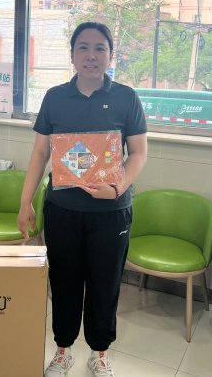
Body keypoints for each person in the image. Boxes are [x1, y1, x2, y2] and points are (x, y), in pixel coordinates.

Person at [18, 21, 148, 377]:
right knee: (64, 282)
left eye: (100, 48)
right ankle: (62, 351)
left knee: (105, 284)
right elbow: (40, 153)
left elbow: (138, 154)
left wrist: (117, 188)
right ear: (73, 55)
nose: (91, 55)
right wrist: (26, 202)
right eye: (83, 48)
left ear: (110, 55)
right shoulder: (55, 97)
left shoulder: (126, 97)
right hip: (63, 210)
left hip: (111, 211)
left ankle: (100, 353)